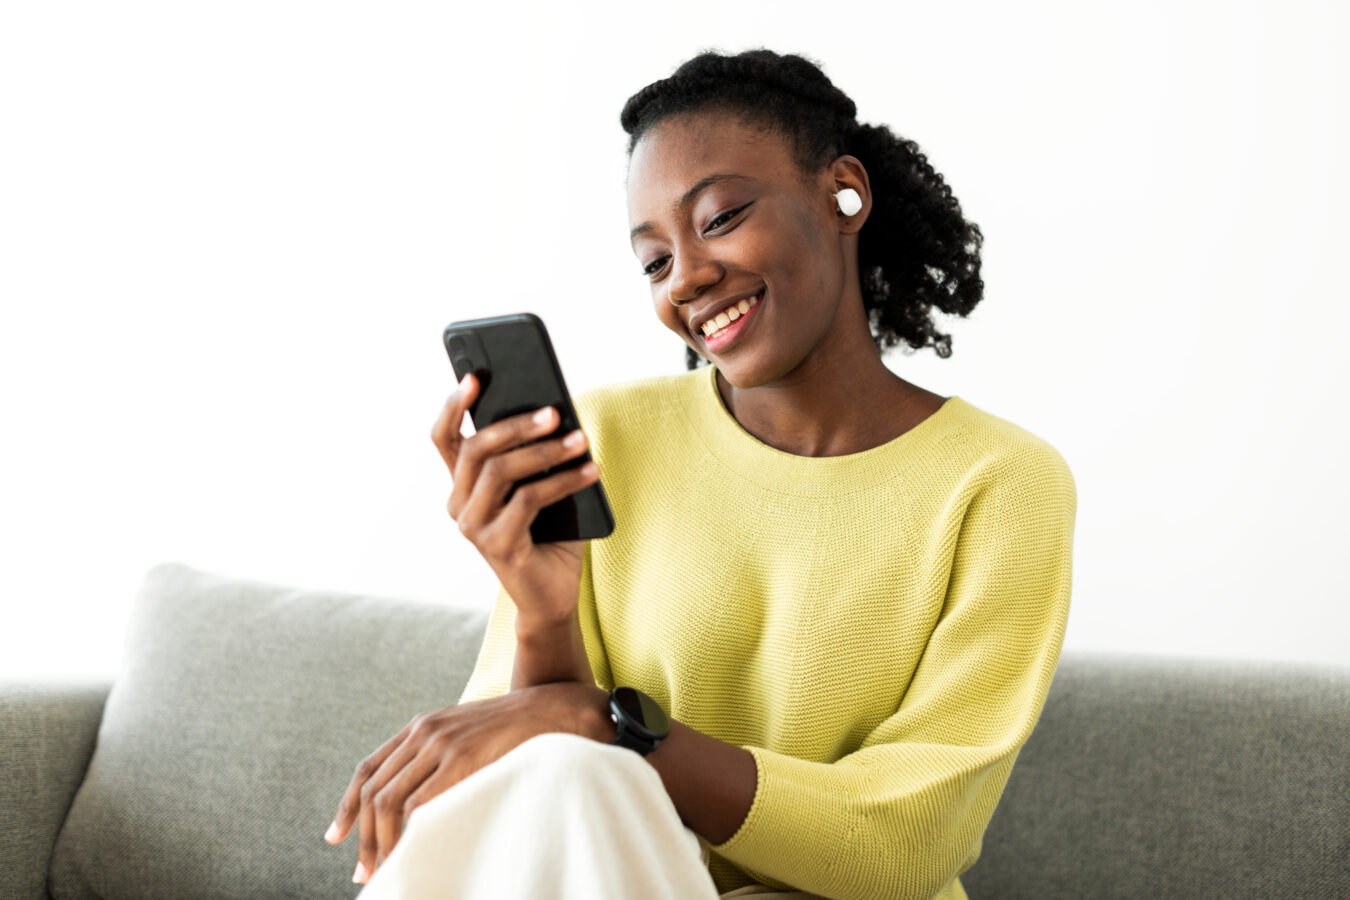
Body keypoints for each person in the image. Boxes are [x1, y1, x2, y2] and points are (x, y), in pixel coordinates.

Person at [322, 48, 1077, 900]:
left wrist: (613, 723)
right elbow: (518, 791)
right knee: (563, 780)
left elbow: (902, 844)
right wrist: (542, 613)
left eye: (719, 219)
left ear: (844, 192)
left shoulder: (999, 484)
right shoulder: (607, 437)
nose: (687, 278)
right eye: (653, 260)